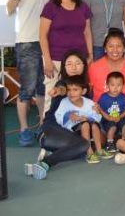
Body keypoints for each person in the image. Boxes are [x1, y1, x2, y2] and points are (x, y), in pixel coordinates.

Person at [7, 0, 52, 145]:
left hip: (46, 41)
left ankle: (42, 124)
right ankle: (24, 130)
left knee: (43, 86)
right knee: (27, 88)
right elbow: (9, 10)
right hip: (27, 41)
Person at [24, 51, 89, 179]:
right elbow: (62, 89)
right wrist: (57, 91)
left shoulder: (86, 88)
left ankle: (42, 160)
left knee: (81, 151)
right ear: (64, 67)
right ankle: (45, 163)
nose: (74, 67)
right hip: (49, 131)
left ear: (84, 65)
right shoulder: (62, 84)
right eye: (69, 64)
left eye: (77, 63)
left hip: (67, 133)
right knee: (83, 145)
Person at [40, 0, 93, 110]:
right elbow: (42, 35)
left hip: (79, 60)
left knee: (77, 94)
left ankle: (76, 122)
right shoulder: (50, 7)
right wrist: (47, 61)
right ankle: (48, 124)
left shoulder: (82, 6)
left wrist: (90, 55)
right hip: (55, 59)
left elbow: (87, 32)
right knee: (52, 96)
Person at [54, 75, 108, 163]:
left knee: (94, 124)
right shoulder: (64, 102)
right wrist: (68, 115)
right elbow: (58, 116)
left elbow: (97, 118)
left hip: (89, 131)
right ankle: (89, 152)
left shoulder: (89, 103)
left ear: (83, 91)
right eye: (68, 90)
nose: (71, 93)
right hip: (73, 133)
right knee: (85, 124)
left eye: (75, 90)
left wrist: (90, 117)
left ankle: (99, 150)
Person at [88, 29, 125, 105]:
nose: (115, 50)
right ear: (105, 49)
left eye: (119, 46)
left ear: (124, 49)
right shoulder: (94, 67)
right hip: (98, 111)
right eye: (111, 46)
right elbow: (88, 92)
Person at [96, 71, 125, 153]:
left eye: (119, 85)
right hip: (107, 119)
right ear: (107, 85)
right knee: (112, 126)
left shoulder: (123, 97)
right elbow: (99, 109)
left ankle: (124, 141)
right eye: (112, 85)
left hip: (120, 117)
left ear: (123, 86)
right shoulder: (103, 97)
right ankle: (110, 143)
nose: (115, 88)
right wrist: (108, 117)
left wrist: (120, 116)